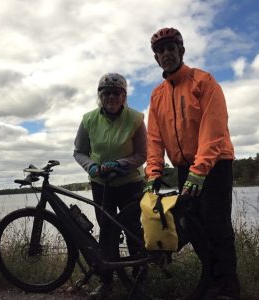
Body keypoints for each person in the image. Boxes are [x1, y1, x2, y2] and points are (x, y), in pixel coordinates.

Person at [145, 27, 240, 299]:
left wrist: (200, 172)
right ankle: (210, 281)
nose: (166, 55)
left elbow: (214, 128)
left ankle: (229, 288)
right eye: (160, 51)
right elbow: (154, 138)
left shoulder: (203, 81)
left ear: (181, 51)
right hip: (185, 167)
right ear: (156, 59)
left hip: (216, 164)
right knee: (193, 226)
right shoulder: (157, 95)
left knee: (217, 225)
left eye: (170, 49)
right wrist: (153, 172)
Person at [73, 73, 147, 299]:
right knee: (106, 232)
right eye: (107, 93)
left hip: (130, 183)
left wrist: (120, 164)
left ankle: (138, 278)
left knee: (134, 230)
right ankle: (107, 282)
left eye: (117, 93)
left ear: (124, 96)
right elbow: (79, 152)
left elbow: (142, 154)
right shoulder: (88, 119)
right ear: (100, 96)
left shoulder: (136, 119)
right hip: (101, 184)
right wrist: (92, 167)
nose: (112, 97)